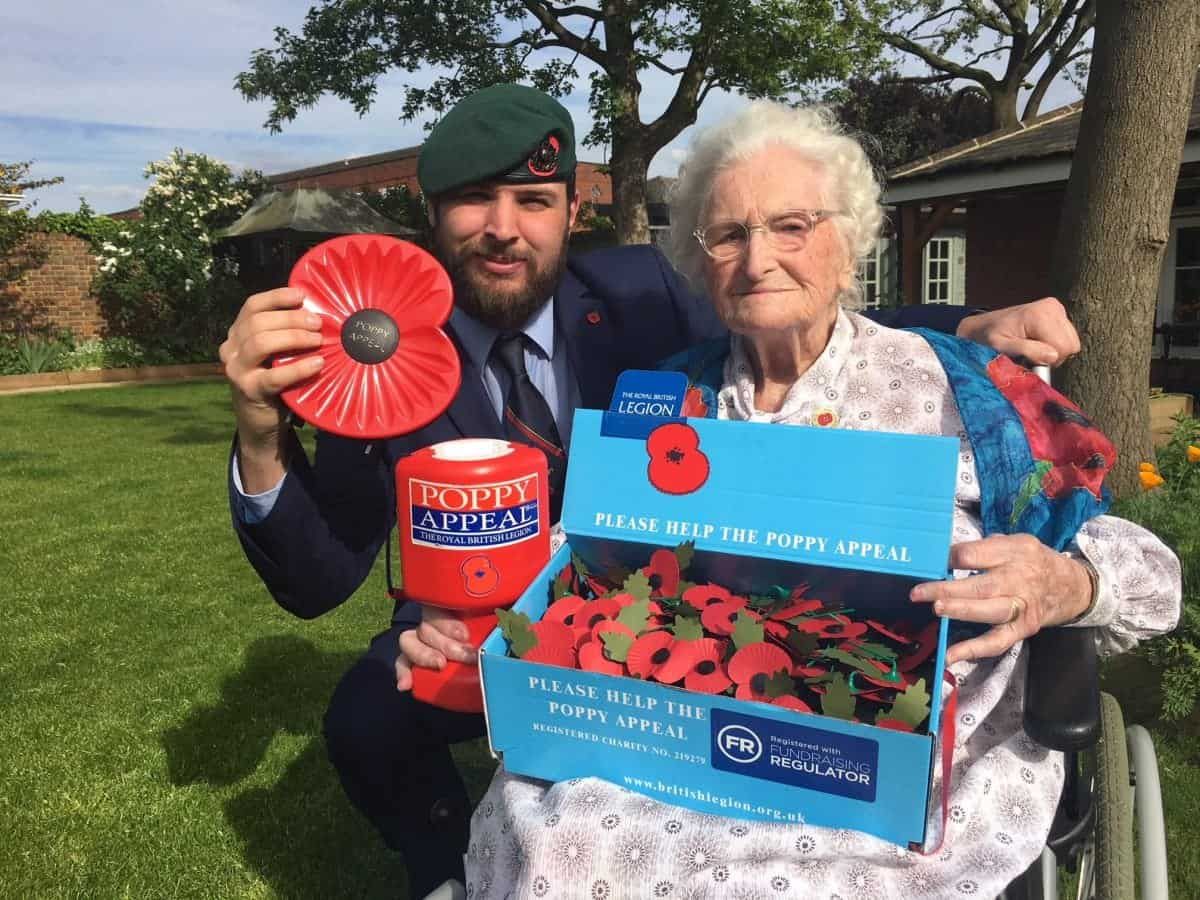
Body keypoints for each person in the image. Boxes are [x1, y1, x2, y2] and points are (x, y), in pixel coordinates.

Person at [221, 85, 1086, 898]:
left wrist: (964, 328)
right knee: (366, 718)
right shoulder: (378, 357)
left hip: (636, 620)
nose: (503, 229)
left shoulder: (642, 293)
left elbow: (783, 292)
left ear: (569, 212)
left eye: (533, 202)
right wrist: (262, 433)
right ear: (434, 215)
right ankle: (450, 868)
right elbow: (315, 581)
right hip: (470, 624)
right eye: (473, 201)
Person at [463, 100, 1182, 899]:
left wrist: (1065, 582)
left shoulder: (964, 390)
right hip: (666, 742)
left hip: (891, 769)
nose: (758, 259)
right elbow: (582, 558)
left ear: (850, 245)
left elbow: (1150, 576)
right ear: (701, 265)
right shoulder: (665, 399)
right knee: (559, 836)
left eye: (791, 226)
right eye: (730, 235)